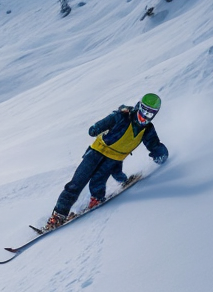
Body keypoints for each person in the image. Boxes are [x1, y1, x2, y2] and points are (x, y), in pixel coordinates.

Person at [46, 93, 171, 229]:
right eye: (144, 111)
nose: (145, 116)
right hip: (96, 152)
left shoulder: (147, 130)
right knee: (78, 181)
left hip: (114, 159)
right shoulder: (122, 116)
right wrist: (97, 128)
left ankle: (96, 199)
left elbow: (154, 145)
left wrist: (162, 156)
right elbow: (96, 128)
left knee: (98, 181)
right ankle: (58, 215)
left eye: (150, 114)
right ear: (139, 107)